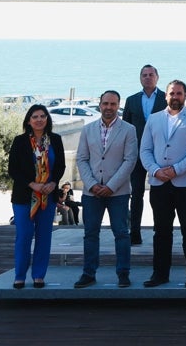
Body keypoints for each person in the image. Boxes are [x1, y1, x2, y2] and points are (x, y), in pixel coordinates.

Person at [140, 79, 186, 288]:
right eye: (172, 93)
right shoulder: (153, 119)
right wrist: (156, 170)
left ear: (185, 96)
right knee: (161, 231)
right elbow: (145, 150)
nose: (175, 97)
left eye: (179, 93)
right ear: (165, 95)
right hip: (159, 184)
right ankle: (160, 274)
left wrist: (175, 170)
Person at [73, 89, 137, 289]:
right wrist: (91, 184)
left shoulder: (128, 130)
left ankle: (123, 273)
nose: (109, 108)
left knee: (121, 233)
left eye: (113, 104)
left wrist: (110, 186)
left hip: (117, 192)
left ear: (119, 106)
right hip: (91, 193)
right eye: (105, 104)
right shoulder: (88, 129)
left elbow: (130, 160)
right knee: (90, 234)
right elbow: (82, 159)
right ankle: (89, 273)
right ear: (100, 105)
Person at [8, 104, 66, 289]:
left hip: (47, 197)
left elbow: (60, 166)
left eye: (43, 116)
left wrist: (53, 183)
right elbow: (13, 169)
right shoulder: (20, 141)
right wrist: (32, 184)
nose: (39, 119)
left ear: (47, 119)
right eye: (35, 116)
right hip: (24, 197)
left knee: (44, 237)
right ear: (28, 120)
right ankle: (19, 276)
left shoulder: (55, 140)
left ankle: (39, 275)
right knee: (24, 236)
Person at [122, 63, 164, 245]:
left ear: (157, 77)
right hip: (137, 154)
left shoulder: (166, 98)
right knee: (137, 194)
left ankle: (160, 229)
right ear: (140, 78)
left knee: (159, 194)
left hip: (160, 154)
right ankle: (135, 231)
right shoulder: (131, 100)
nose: (147, 77)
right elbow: (125, 128)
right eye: (144, 75)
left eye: (151, 74)